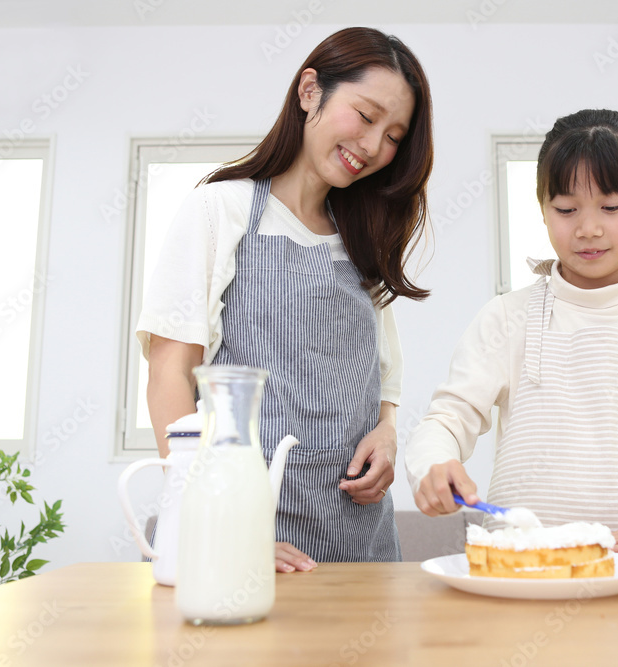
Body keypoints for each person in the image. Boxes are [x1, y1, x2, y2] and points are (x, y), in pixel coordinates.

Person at [137, 27, 433, 572]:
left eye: (394, 136)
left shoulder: (364, 241)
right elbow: (169, 375)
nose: (373, 148)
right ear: (309, 92)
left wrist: (387, 436)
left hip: (364, 545)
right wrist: (220, 527)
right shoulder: (219, 211)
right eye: (366, 117)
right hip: (251, 535)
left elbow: (384, 380)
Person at [405, 109, 618, 563]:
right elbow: (448, 419)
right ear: (542, 209)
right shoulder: (506, 318)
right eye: (566, 209)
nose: (588, 229)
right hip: (522, 574)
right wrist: (434, 466)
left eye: (611, 207)